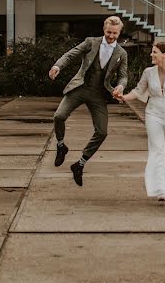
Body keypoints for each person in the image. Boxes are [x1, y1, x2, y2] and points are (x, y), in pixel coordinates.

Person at [48, 16, 128, 186]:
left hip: (98, 94)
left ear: (119, 32)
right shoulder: (91, 42)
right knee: (59, 116)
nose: (111, 36)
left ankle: (80, 164)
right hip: (80, 88)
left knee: (102, 131)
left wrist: (120, 87)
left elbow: (123, 76)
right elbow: (70, 55)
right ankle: (61, 145)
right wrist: (57, 66)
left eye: (115, 33)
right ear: (104, 29)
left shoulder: (121, 53)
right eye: (108, 32)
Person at [116, 42, 165, 202]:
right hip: (153, 113)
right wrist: (124, 97)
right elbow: (139, 91)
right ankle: (159, 188)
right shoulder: (148, 72)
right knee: (157, 149)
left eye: (154, 52)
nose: (151, 54)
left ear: (164, 54)